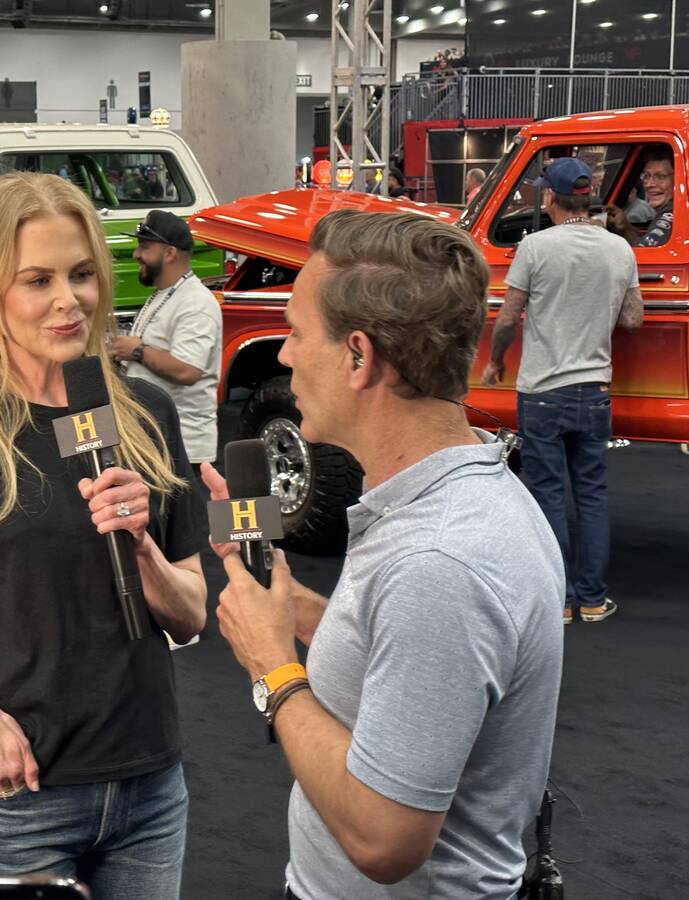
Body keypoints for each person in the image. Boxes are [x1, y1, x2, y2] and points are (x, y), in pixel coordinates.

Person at [202, 209, 564, 899]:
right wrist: (305, 612)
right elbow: (407, 652)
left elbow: (382, 837)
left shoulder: (436, 563)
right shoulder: (464, 495)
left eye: (298, 334)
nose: (282, 355)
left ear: (359, 356)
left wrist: (274, 669)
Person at [0, 172, 207, 898]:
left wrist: (143, 546)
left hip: (150, 787)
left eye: (82, 274)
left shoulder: (146, 413)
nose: (70, 300)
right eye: (38, 280)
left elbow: (190, 615)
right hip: (19, 792)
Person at [484, 157, 644, 625]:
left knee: (547, 495)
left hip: (542, 393)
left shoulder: (534, 247)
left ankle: (557, 602)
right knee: (592, 493)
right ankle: (592, 599)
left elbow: (510, 316)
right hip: (594, 389)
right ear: (588, 198)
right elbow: (634, 319)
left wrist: (495, 360)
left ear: (549, 198)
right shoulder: (619, 250)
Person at [110, 210, 223, 472]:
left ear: (169, 253)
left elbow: (187, 370)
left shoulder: (195, 303)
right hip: (156, 442)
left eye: (144, 246)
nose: (137, 254)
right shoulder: (165, 294)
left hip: (183, 449)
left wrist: (137, 350)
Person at [606, 145, 674, 247]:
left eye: (660, 177)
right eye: (646, 176)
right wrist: (626, 229)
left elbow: (644, 254)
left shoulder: (670, 214)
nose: (649, 184)